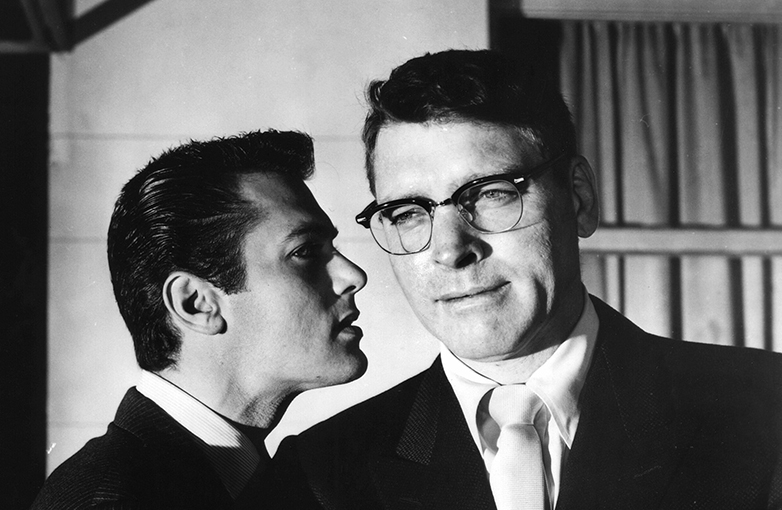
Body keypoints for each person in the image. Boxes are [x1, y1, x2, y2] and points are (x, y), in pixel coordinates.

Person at [275, 50, 782, 510]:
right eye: (407, 212)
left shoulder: (766, 412)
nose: (451, 250)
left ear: (579, 198)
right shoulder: (321, 475)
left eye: (491, 193)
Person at [31, 130, 367, 509]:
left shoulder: (256, 481)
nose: (354, 276)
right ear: (196, 304)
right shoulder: (114, 500)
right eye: (305, 251)